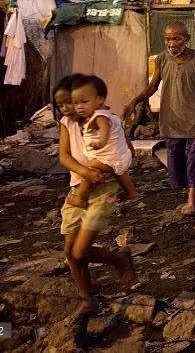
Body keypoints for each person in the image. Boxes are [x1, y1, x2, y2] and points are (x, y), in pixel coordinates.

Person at [55, 74, 138, 316]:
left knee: (81, 250)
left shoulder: (102, 118)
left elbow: (125, 148)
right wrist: (84, 172)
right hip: (77, 187)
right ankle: (87, 298)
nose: (70, 108)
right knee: (70, 252)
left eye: (73, 101)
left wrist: (113, 164)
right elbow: (64, 156)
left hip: (104, 190)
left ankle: (119, 260)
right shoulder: (67, 123)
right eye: (64, 104)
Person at [123, 22, 195, 216]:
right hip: (171, 120)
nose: (171, 43)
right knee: (176, 161)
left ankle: (193, 202)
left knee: (194, 161)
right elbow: (153, 86)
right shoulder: (162, 59)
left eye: (176, 38)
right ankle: (192, 194)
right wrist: (135, 101)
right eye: (168, 39)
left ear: (187, 39)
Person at [67, 75, 139, 207]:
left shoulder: (100, 117)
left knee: (89, 171)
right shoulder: (111, 115)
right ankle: (132, 193)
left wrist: (101, 142)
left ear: (100, 99)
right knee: (121, 173)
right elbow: (122, 134)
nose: (79, 107)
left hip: (109, 158)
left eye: (84, 102)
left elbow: (104, 129)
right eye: (76, 103)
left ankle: (80, 199)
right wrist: (131, 149)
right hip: (121, 156)